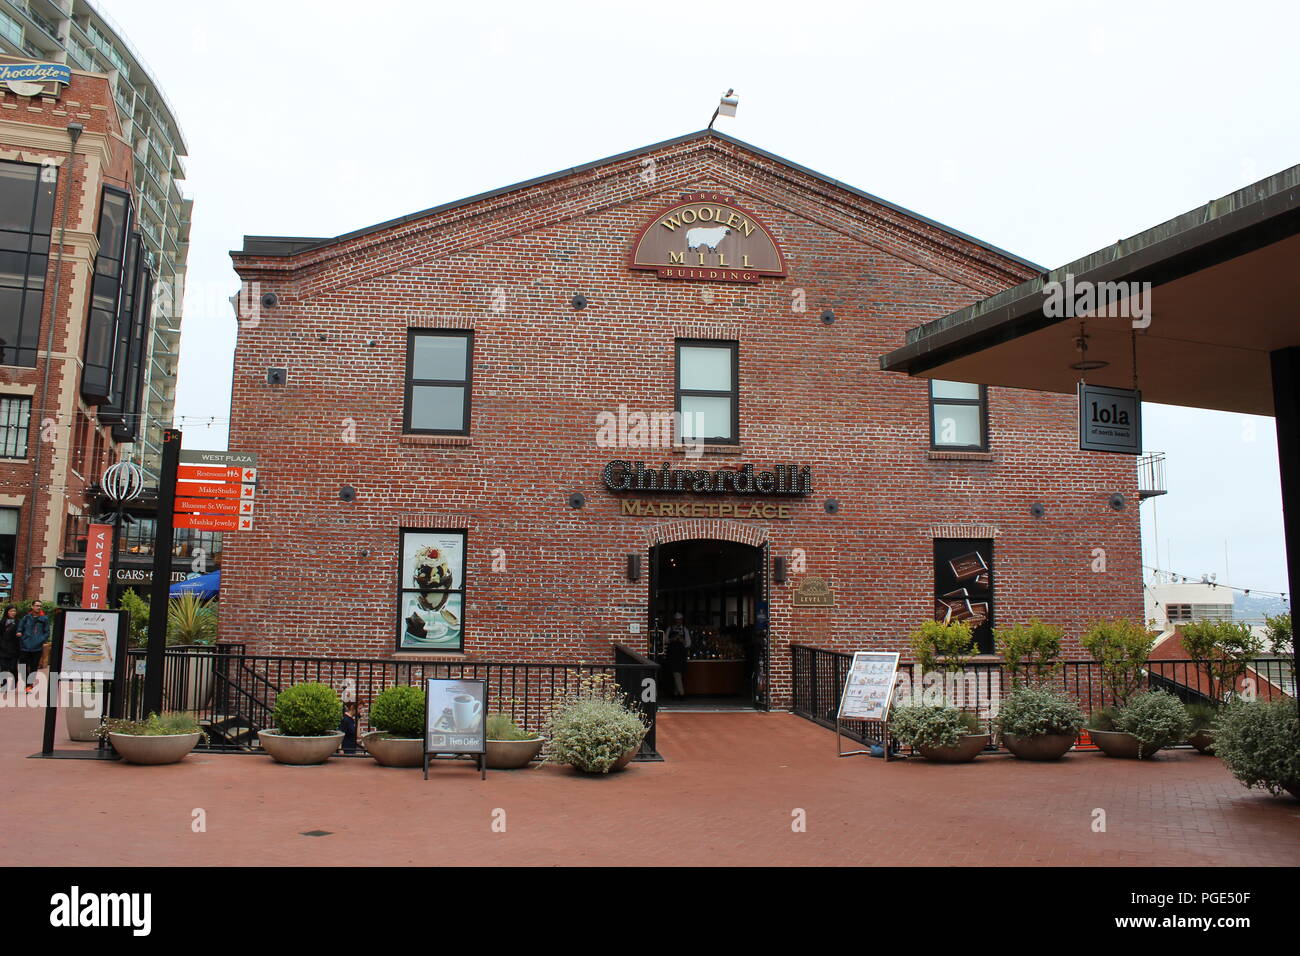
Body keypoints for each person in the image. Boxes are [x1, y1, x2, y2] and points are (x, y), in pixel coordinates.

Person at [17, 600, 50, 692]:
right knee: (23, 666)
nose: (38, 607)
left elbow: (47, 632)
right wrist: (20, 635)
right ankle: (26, 682)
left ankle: (29, 685)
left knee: (34, 667)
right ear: (32, 606)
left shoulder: (44, 619)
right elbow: (20, 629)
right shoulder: (26, 618)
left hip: (37, 647)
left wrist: (40, 640)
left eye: (40, 606)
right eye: (36, 605)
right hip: (25, 646)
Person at [664, 612, 691, 699]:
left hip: (681, 654)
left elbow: (688, 643)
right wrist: (673, 639)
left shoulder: (685, 630)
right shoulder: (669, 629)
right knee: (676, 673)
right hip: (672, 654)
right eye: (677, 620)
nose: (678, 622)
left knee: (679, 673)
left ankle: (675, 694)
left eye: (679, 620)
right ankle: (682, 694)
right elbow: (665, 641)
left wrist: (682, 640)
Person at [0, 605, 19, 690]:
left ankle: (15, 681)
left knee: (12, 667)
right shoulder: (2, 622)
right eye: (11, 611)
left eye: (14, 611)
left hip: (14, 648)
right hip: (3, 648)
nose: (13, 613)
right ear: (7, 612)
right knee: (3, 667)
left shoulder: (18, 622)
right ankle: (4, 683)